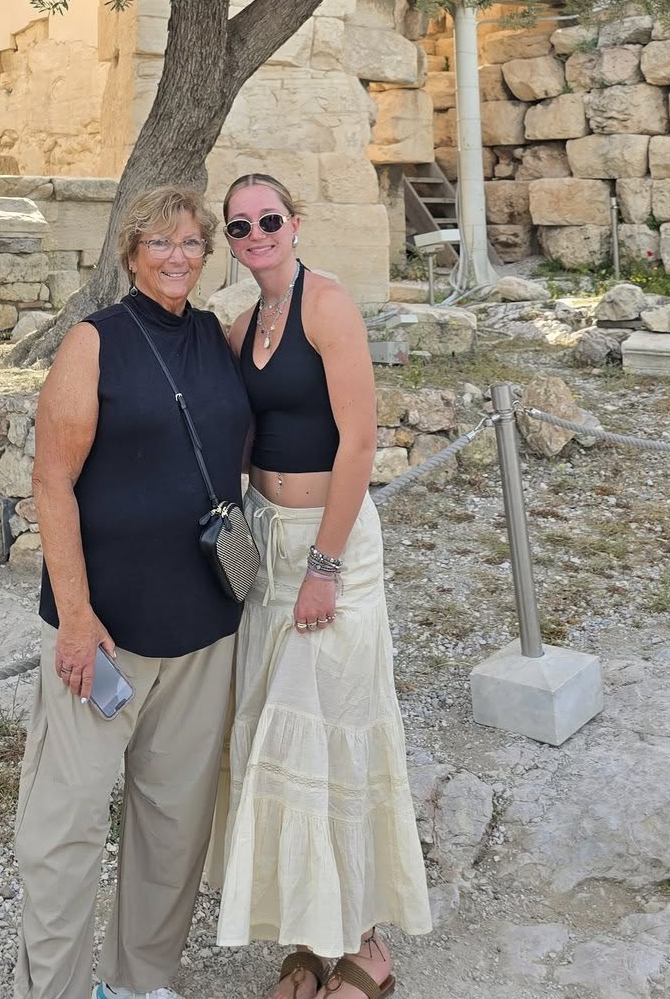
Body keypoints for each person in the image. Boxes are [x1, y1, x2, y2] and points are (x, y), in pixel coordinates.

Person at [16, 184, 252, 999]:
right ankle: (51, 990)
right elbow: (52, 481)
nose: (178, 256)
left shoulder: (217, 339)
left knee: (172, 827)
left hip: (204, 627)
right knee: (65, 827)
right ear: (131, 253)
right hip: (106, 635)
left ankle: (138, 981)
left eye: (192, 243)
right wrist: (75, 616)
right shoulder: (94, 342)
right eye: (161, 242)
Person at [209, 171, 431, 999]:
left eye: (269, 219)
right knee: (276, 733)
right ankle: (309, 933)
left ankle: (366, 945)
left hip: (331, 551)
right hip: (269, 543)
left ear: (295, 223)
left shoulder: (326, 305)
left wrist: (326, 567)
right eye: (240, 226)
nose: (256, 234)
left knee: (333, 729)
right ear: (229, 241)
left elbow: (360, 440)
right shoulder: (244, 327)